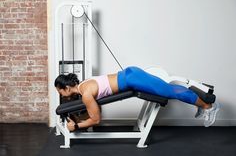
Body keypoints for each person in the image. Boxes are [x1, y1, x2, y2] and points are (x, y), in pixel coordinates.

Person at [55, 66, 220, 131]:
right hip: (130, 74)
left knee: (170, 92)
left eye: (59, 91)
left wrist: (76, 126)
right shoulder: (84, 84)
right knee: (168, 89)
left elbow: (96, 119)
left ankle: (208, 106)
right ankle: (201, 103)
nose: (60, 94)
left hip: (132, 80)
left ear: (67, 88)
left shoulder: (86, 94)